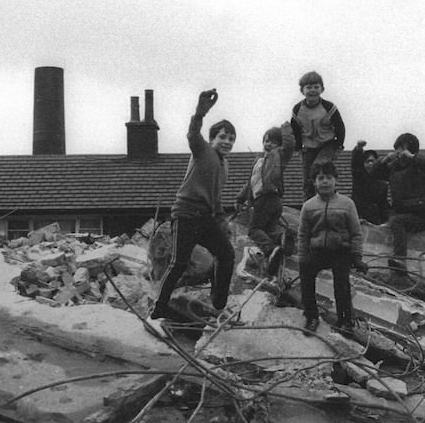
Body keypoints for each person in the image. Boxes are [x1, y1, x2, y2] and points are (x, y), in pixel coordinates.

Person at [146, 89, 237, 338]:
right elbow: (192, 132)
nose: (227, 142)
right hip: (186, 214)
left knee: (226, 254)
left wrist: (221, 221)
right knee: (178, 264)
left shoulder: (224, 165)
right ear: (212, 138)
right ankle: (155, 315)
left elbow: (216, 198)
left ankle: (217, 307)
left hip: (205, 218)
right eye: (222, 137)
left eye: (231, 138)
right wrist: (201, 111)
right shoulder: (202, 150)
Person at [295, 162, 368, 336]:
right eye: (320, 178)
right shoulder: (308, 206)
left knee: (341, 283)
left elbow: (356, 233)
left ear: (336, 180)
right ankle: (312, 316)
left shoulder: (347, 204)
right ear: (314, 182)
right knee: (306, 276)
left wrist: (357, 256)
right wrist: (303, 256)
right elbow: (303, 234)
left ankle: (345, 320)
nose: (325, 182)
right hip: (318, 251)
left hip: (340, 251)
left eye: (329, 178)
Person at [369, 132, 425, 278]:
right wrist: (386, 159)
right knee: (391, 222)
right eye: (397, 149)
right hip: (402, 212)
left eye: (401, 149)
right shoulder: (395, 168)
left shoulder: (420, 165)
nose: (399, 153)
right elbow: (373, 172)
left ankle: (400, 260)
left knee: (397, 222)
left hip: (420, 215)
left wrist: (412, 157)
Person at [236, 122, 295, 276]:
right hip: (270, 202)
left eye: (273, 141)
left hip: (267, 198)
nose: (268, 144)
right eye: (266, 140)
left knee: (254, 229)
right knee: (267, 230)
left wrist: (286, 131)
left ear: (279, 145)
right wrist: (240, 199)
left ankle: (271, 250)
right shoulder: (259, 162)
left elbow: (289, 147)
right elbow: (250, 183)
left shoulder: (277, 156)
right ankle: (283, 237)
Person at [290, 71, 346, 201]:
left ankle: (329, 198)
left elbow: (340, 127)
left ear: (322, 89)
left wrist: (339, 146)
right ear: (302, 91)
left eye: (316, 87)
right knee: (308, 177)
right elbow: (295, 130)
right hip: (309, 146)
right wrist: (298, 148)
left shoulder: (329, 107)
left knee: (319, 167)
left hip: (328, 144)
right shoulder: (297, 109)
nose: (312, 90)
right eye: (308, 87)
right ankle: (308, 204)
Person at [349, 140, 388, 225]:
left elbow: (383, 204)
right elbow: (355, 165)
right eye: (367, 161)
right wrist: (359, 149)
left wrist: (385, 222)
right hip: (359, 219)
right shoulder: (358, 178)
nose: (370, 164)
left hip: (375, 221)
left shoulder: (382, 183)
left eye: (372, 161)